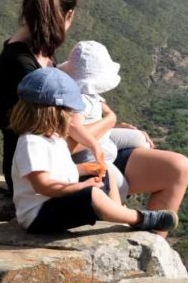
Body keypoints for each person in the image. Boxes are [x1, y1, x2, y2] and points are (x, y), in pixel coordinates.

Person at [0, 0, 188, 236]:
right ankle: (141, 238)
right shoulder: (24, 69)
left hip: (74, 158)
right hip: (49, 167)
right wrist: (106, 123)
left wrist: (107, 127)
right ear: (68, 15)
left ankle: (152, 245)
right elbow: (57, 138)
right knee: (108, 187)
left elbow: (72, 124)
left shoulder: (43, 54)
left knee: (177, 167)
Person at [8, 67, 176, 234]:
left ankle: (117, 211)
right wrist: (81, 187)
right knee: (93, 195)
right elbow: (43, 186)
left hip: (56, 202)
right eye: (70, 111)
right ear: (54, 112)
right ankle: (140, 219)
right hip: (39, 216)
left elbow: (60, 171)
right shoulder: (31, 143)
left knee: (106, 169)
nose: (72, 116)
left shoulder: (53, 138)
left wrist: (87, 168)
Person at [57, 40, 153, 198]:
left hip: (105, 139)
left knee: (140, 138)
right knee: (122, 188)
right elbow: (73, 125)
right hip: (94, 158)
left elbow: (99, 102)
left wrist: (110, 117)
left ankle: (129, 166)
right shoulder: (78, 101)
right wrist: (94, 145)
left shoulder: (87, 92)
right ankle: (113, 198)